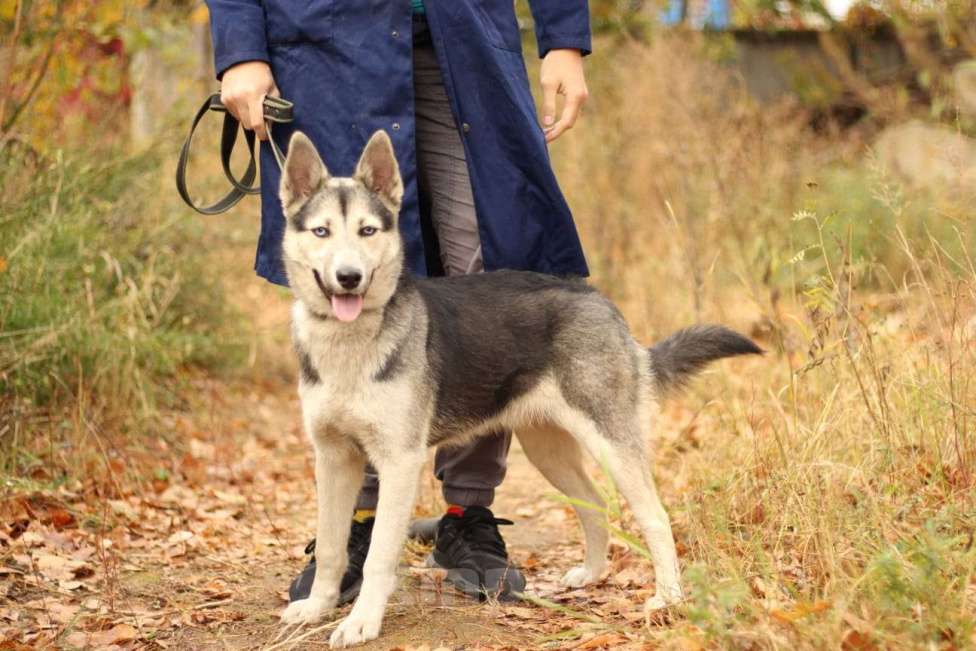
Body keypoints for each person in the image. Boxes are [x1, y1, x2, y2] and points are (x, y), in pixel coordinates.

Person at [205, 0, 591, 602]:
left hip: (464, 40)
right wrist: (240, 49)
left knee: (488, 257)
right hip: (327, 45)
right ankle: (356, 525)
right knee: (348, 258)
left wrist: (563, 36)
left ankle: (468, 513)